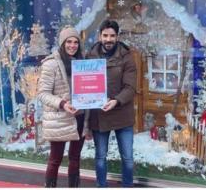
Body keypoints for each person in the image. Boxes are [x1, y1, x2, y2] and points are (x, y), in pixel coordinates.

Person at [83, 20, 137, 187]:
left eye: (112, 36)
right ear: (100, 36)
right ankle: (101, 185)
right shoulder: (89, 57)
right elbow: (85, 84)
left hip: (122, 113)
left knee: (127, 157)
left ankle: (127, 185)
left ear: (117, 37)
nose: (108, 39)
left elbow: (130, 87)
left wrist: (116, 100)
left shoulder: (127, 57)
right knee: (100, 156)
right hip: (100, 115)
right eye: (105, 35)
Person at [38, 27, 85, 188]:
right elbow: (43, 94)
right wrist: (63, 103)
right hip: (60, 118)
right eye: (69, 42)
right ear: (62, 43)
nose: (73, 45)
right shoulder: (51, 64)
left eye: (76, 42)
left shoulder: (83, 63)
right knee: (55, 158)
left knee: (75, 157)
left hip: (80, 116)